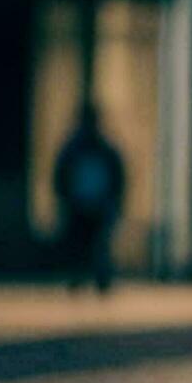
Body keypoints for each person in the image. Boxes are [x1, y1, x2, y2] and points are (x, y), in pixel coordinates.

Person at [53, 103, 126, 291]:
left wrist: (114, 202)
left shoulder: (103, 150)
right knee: (79, 246)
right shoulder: (74, 150)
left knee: (98, 246)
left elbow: (117, 179)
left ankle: (100, 279)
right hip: (78, 205)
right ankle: (78, 278)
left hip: (98, 206)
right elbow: (61, 177)